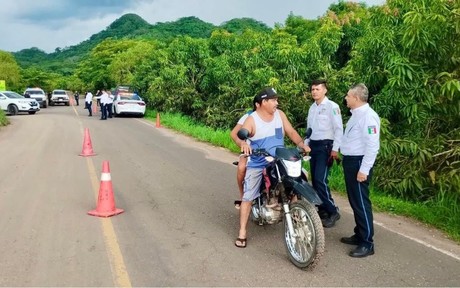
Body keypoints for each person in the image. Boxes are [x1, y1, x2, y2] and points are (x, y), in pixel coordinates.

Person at [235, 87, 310, 248]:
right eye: (273, 100)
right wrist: (243, 143)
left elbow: (290, 131)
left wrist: (302, 144)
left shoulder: (280, 114)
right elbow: (242, 133)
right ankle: (242, 232)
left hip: (279, 159)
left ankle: (296, 210)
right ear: (262, 103)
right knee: (248, 196)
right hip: (259, 160)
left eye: (277, 99)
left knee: (300, 178)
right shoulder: (252, 119)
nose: (277, 102)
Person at [340, 83, 380, 258]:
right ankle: (359, 233)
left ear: (356, 98)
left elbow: (372, 146)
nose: (346, 98)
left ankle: (367, 242)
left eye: (348, 95)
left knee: (361, 202)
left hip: (359, 163)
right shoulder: (356, 115)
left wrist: (364, 170)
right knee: (355, 201)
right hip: (351, 161)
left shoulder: (368, 117)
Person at [304, 79, 343, 228]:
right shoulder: (312, 108)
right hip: (313, 146)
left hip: (326, 146)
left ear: (325, 90)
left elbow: (339, 129)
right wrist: (306, 144)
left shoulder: (332, 107)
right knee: (314, 181)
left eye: (317, 89)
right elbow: (309, 129)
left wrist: (335, 149)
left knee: (321, 180)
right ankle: (323, 209)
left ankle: (333, 211)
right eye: (312, 89)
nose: (314, 91)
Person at [229, 98, 258, 210]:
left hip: (269, 151)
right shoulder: (248, 116)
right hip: (250, 151)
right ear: (258, 104)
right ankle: (243, 196)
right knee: (241, 168)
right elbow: (233, 134)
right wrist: (243, 144)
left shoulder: (275, 116)